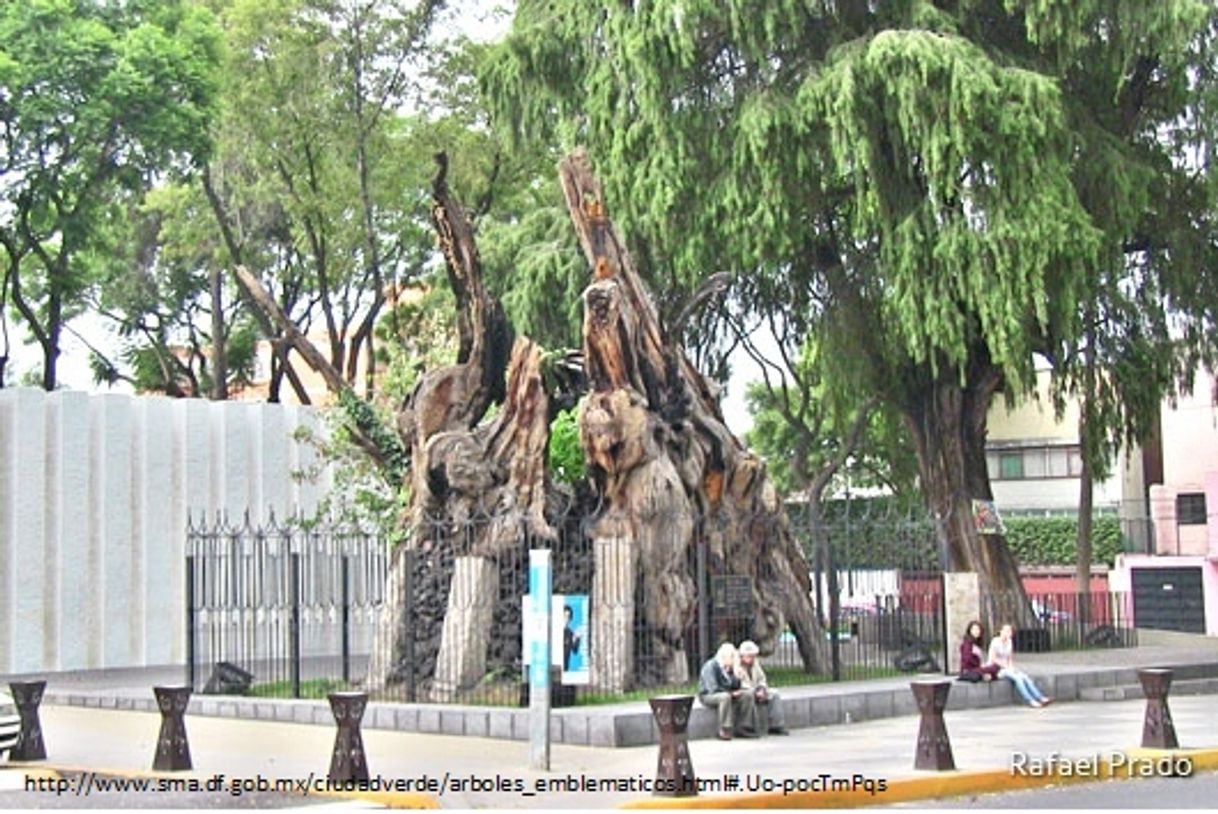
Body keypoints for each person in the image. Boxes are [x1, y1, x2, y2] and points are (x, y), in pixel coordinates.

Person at [697, 642, 756, 740]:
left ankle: (744, 726)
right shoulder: (711, 666)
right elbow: (713, 688)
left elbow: (735, 685)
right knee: (724, 697)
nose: (735, 659)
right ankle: (725, 728)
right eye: (732, 656)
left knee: (747, 695)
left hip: (727, 693)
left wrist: (737, 677)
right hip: (708, 695)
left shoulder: (730, 668)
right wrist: (731, 693)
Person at [988, 623, 1053, 707]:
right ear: (1001, 631)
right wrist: (1006, 667)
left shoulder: (1009, 642)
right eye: (1006, 631)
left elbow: (1010, 658)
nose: (1009, 633)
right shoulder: (995, 642)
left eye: (1010, 631)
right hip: (996, 669)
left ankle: (1040, 697)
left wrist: (1011, 667)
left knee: (1025, 677)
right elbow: (993, 659)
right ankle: (1030, 700)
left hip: (1007, 668)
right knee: (1018, 678)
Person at [734, 640, 789, 735]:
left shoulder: (755, 664)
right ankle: (748, 726)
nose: (751, 659)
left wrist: (762, 688)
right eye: (749, 656)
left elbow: (762, 678)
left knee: (774, 694)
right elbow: (739, 683)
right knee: (749, 695)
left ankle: (776, 725)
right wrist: (755, 691)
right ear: (742, 656)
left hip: (757, 690)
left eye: (753, 656)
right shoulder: (736, 666)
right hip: (746, 691)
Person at [562, 604, 581, 671]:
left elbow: (575, 650)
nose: (566, 619)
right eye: (564, 616)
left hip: (565, 668)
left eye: (568, 617)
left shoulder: (570, 633)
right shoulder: (555, 630)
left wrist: (577, 639)